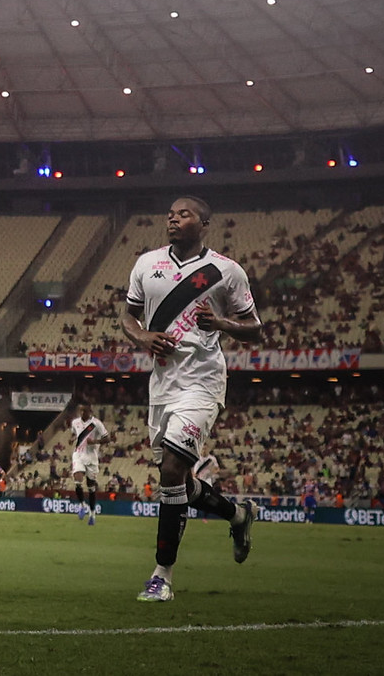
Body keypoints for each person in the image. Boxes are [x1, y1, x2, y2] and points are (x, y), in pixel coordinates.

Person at [121, 195, 264, 603]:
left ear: (204, 224)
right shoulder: (146, 264)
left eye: (184, 214)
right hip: (162, 385)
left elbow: (256, 329)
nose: (173, 217)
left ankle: (161, 574)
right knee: (180, 481)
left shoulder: (225, 271)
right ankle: (238, 515)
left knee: (170, 471)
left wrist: (221, 323)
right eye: (170, 213)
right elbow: (127, 316)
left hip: (202, 382)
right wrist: (144, 336)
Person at [69, 404, 112, 525]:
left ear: (90, 412)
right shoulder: (75, 422)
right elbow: (74, 433)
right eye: (81, 411)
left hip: (92, 458)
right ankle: (82, 505)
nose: (82, 413)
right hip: (79, 455)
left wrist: (95, 441)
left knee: (91, 487)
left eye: (85, 411)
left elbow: (107, 438)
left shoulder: (96, 424)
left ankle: (92, 514)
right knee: (77, 480)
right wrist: (72, 439)